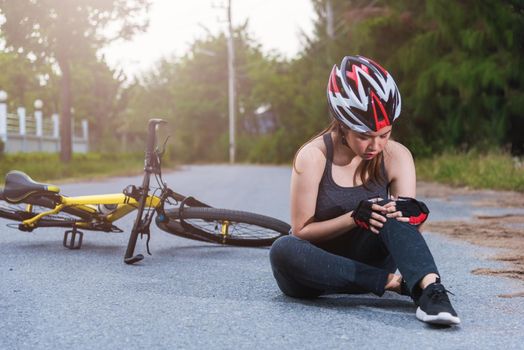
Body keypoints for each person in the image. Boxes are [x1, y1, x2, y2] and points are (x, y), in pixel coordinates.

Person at [269, 55, 460, 326]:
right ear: (342, 125)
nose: (376, 145)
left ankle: (430, 291)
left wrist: (414, 214)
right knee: (283, 248)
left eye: (384, 134)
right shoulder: (312, 157)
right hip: (315, 272)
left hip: (371, 260)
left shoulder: (398, 156)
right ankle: (398, 285)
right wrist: (353, 217)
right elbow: (301, 230)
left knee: (391, 210)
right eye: (364, 136)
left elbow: (406, 234)